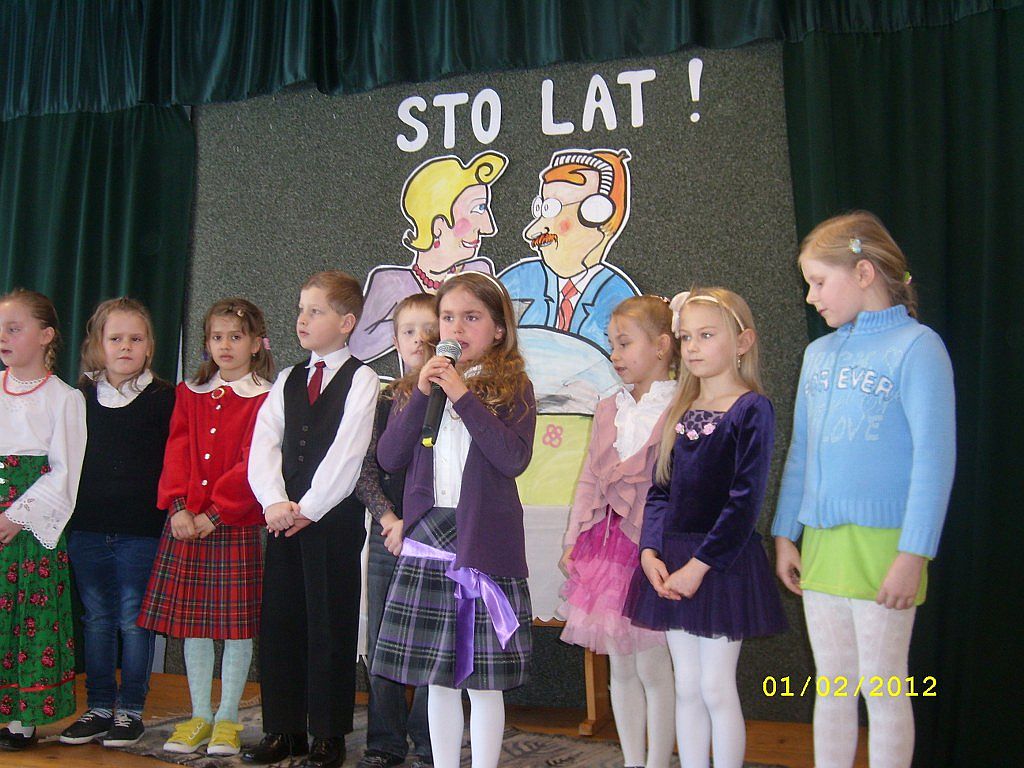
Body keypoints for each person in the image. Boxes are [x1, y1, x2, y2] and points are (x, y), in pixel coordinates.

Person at [772, 211, 956, 768]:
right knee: (833, 684)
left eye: (818, 282)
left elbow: (935, 459)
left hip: (886, 546)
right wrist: (784, 534)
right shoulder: (818, 355)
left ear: (864, 272)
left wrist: (913, 554)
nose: (810, 297)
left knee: (883, 685)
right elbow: (802, 451)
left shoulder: (918, 347)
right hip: (823, 544)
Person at [371, 272, 536, 768]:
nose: (457, 327)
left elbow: (512, 458)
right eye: (447, 317)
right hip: (430, 537)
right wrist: (424, 392)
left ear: (499, 329)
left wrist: (463, 395)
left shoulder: (514, 387)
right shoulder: (420, 386)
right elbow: (389, 457)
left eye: (471, 317)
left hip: (484, 540)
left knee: (483, 682)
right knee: (437, 678)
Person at [624, 288, 788, 768]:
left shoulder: (752, 409)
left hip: (721, 563)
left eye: (706, 335)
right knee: (687, 685)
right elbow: (660, 490)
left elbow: (744, 502)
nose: (692, 347)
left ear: (743, 342)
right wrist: (650, 552)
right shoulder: (680, 408)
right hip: (673, 558)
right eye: (686, 337)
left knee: (716, 686)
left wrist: (700, 566)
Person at [245, 271, 378, 768]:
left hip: (331, 521)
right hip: (283, 519)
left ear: (346, 323)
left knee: (330, 624)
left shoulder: (363, 379)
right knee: (280, 622)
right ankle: (284, 730)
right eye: (301, 309)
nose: (302, 319)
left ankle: (327, 735)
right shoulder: (287, 379)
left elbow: (348, 453)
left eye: (315, 311)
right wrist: (274, 502)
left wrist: (310, 508)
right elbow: (264, 444)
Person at [136, 298, 274, 757]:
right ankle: (199, 715)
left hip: (231, 526)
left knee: (235, 629)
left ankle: (228, 718)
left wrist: (214, 514)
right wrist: (178, 507)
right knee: (193, 626)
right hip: (186, 525)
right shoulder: (189, 393)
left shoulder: (266, 397)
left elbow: (253, 464)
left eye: (235, 337)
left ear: (256, 344)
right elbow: (176, 450)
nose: (225, 346)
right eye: (217, 337)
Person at [558, 295, 678, 768]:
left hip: (654, 549)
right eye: (612, 344)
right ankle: (633, 760)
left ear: (662, 346)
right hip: (607, 550)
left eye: (625, 343)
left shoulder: (681, 408)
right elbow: (590, 479)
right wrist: (573, 538)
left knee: (653, 665)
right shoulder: (610, 407)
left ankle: (657, 761)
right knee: (621, 665)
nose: (615, 354)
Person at [57, 298, 175, 749]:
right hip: (87, 528)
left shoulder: (165, 398)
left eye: (135, 339)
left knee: (133, 619)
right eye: (116, 338)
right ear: (98, 345)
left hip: (141, 531)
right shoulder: (79, 397)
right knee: (97, 619)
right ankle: (99, 706)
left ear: (149, 347)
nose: (126, 347)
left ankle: (130, 710)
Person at [0, 289, 86, 751]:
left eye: (14, 329)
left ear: (46, 335)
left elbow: (65, 472)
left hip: (30, 528)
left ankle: (22, 718)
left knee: (26, 615)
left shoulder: (64, 399)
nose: (3, 337)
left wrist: (16, 517)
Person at [355, 292, 436, 768]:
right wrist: (388, 519)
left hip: (434, 537)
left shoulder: (452, 397)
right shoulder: (384, 399)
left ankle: (428, 742)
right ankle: (384, 742)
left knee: (431, 639)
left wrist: (416, 525)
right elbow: (366, 468)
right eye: (409, 331)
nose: (419, 340)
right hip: (388, 536)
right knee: (382, 641)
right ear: (396, 340)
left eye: (430, 329)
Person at [351, 152, 506, 362]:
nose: (488, 227)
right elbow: (359, 348)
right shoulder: (391, 282)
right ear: (437, 224)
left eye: (470, 317)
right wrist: (415, 323)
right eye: (477, 209)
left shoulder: (478, 271)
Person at [499, 149, 639, 353]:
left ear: (596, 213)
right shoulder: (517, 282)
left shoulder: (619, 298)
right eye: (540, 209)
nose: (533, 231)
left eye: (553, 210)